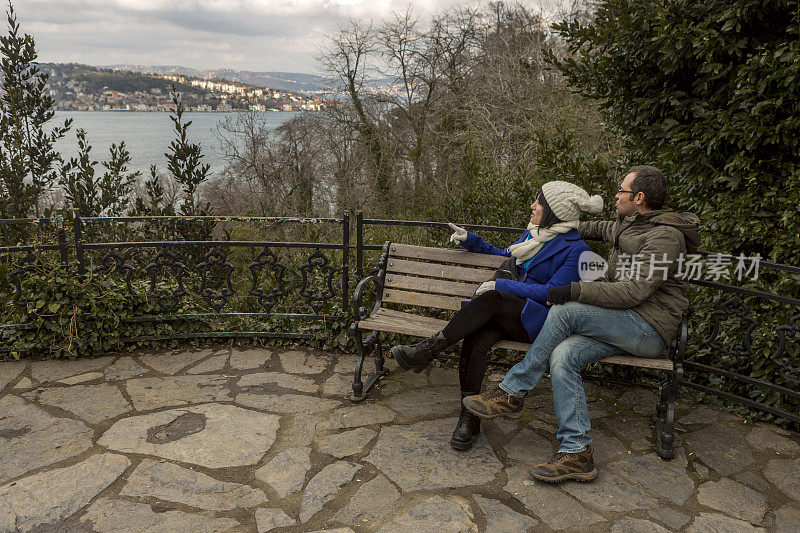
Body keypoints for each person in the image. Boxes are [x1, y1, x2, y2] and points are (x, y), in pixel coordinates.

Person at [463, 165, 700, 483]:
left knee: (565, 311)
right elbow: (600, 228)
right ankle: (577, 453)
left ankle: (512, 391)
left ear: (639, 198)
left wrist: (574, 290)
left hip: (648, 327)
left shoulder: (665, 237)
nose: (616, 195)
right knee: (563, 355)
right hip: (622, 323)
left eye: (622, 190)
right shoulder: (629, 223)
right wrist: (561, 225)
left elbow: (634, 292)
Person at [389, 181, 603, 451]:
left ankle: (430, 349)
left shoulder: (577, 250)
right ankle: (470, 416)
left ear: (554, 210)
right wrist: (472, 241)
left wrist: (501, 286)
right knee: (477, 335)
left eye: (538, 202)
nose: (532, 206)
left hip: (536, 322)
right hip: (506, 315)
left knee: (491, 298)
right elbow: (506, 256)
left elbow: (552, 293)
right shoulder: (534, 237)